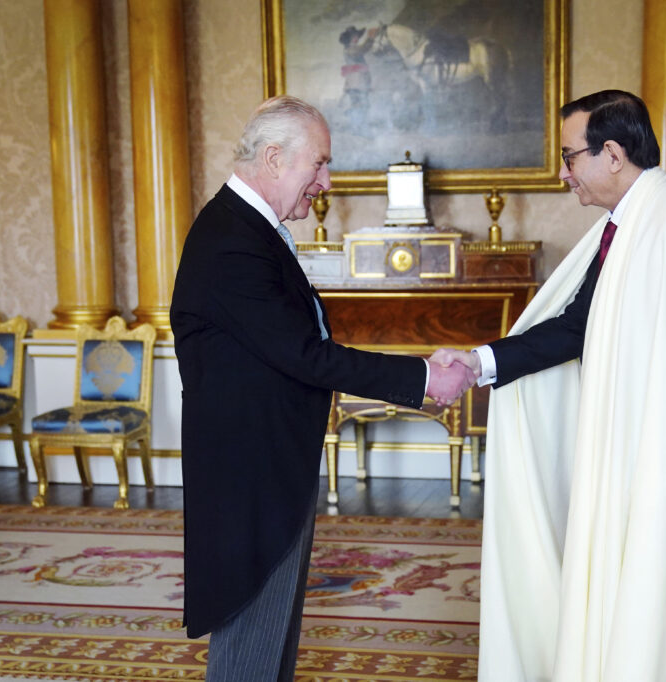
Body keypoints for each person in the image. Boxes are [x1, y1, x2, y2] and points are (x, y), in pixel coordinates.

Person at [434, 90, 666, 681]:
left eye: (570, 157)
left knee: (665, 617)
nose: (564, 173)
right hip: (635, 459)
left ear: (613, 153)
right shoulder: (626, 227)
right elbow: (576, 327)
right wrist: (477, 363)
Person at [170, 95, 473, 682]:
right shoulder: (232, 239)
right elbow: (306, 355)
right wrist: (425, 378)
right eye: (320, 164)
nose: (326, 182)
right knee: (250, 646)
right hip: (250, 475)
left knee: (271, 641)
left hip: (272, 463)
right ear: (276, 157)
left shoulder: (253, 228)